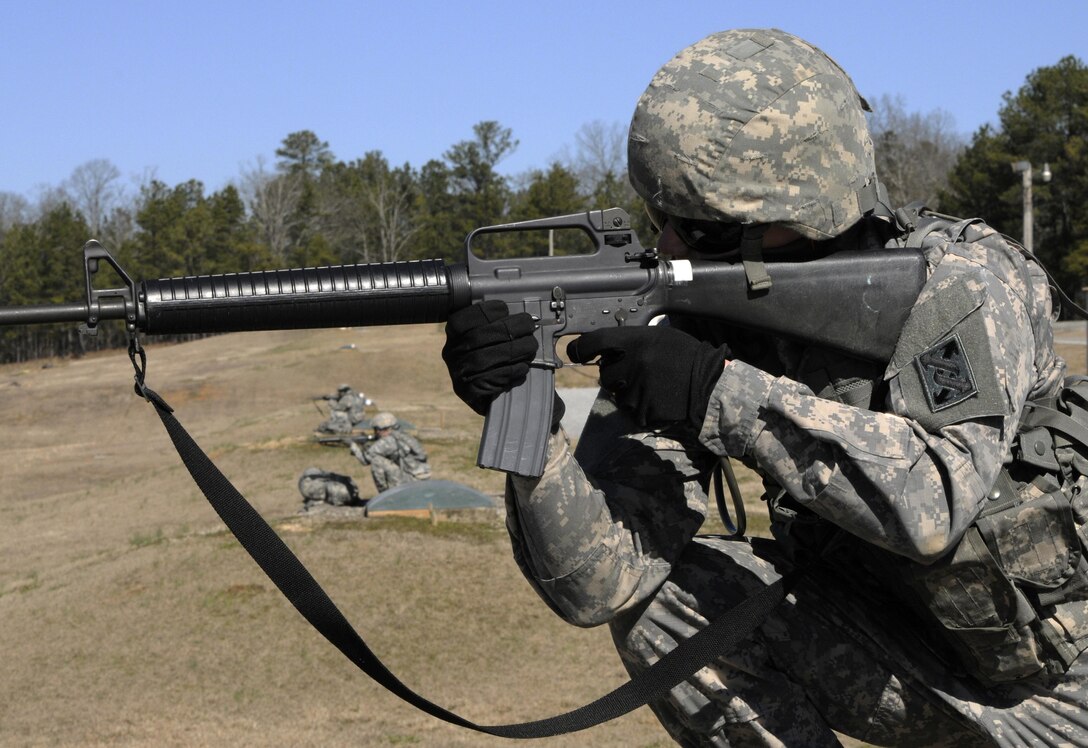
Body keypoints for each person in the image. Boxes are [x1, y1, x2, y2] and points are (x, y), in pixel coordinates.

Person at [441, 28, 1088, 747]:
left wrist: (716, 395)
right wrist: (529, 420)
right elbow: (602, 583)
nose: (670, 250)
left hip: (1069, 687)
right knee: (672, 608)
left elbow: (936, 500)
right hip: (922, 666)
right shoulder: (710, 319)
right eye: (664, 222)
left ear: (801, 212)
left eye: (703, 232)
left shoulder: (960, 284)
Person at [349, 411, 431, 493]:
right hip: (421, 480)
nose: (375, 432)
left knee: (377, 461)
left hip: (411, 481)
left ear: (381, 429)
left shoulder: (388, 441)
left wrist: (353, 446)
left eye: (376, 429)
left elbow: (365, 460)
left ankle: (385, 496)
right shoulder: (403, 436)